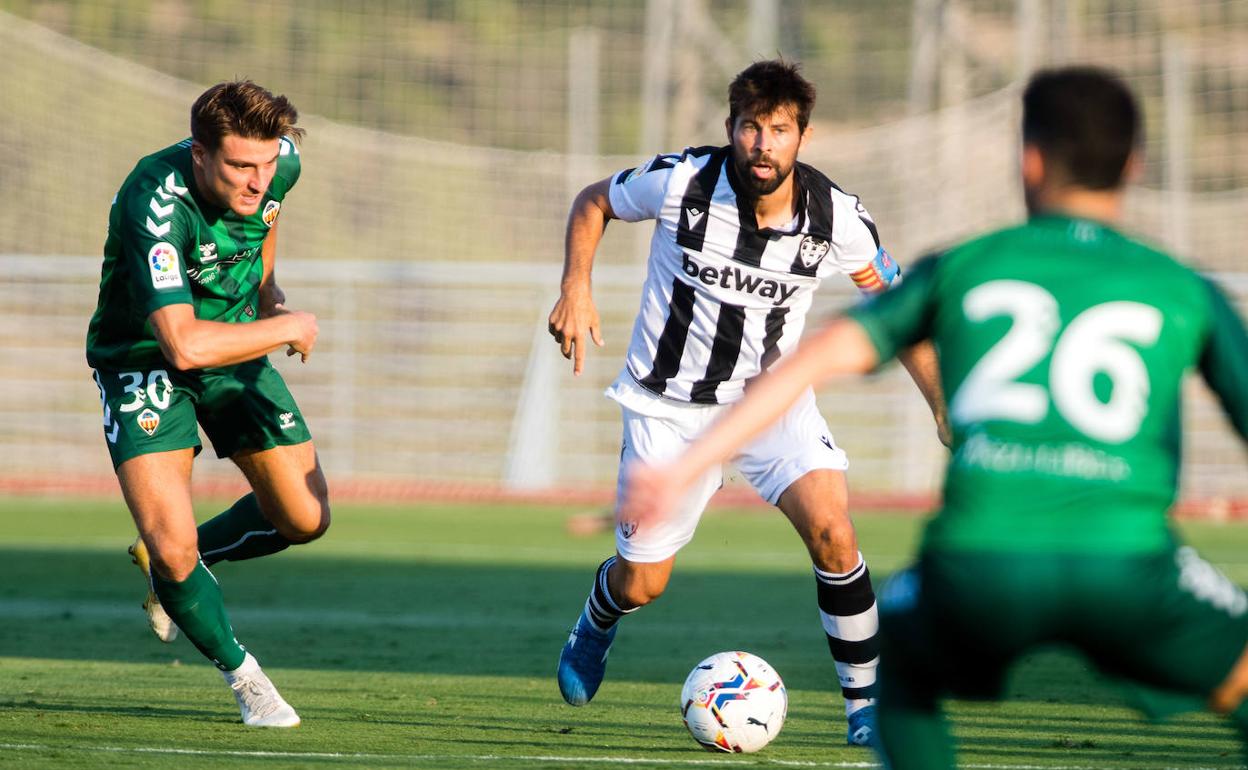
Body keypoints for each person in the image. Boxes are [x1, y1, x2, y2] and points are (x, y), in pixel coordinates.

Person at [621, 66, 1248, 766]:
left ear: (1029, 159)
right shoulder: (1183, 288)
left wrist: (691, 464)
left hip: (977, 567)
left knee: (903, 678)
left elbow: (820, 355)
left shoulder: (966, 266)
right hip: (1134, 568)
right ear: (1133, 166)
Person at [548, 59, 946, 745]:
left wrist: (942, 406)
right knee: (644, 584)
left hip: (771, 407)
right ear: (731, 129)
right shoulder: (680, 183)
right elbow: (594, 201)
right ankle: (599, 615)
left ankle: (866, 706)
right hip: (666, 408)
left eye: (780, 130)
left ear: (803, 137)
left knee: (835, 531)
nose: (764, 145)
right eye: (751, 128)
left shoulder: (837, 219)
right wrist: (576, 284)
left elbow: (898, 305)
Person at [86, 80, 329, 728]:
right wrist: (286, 325)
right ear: (199, 155)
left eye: (266, 163)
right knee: (172, 548)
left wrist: (268, 289)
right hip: (145, 361)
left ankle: (190, 563)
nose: (257, 181)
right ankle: (249, 685)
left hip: (235, 351)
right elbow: (183, 345)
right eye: (239, 167)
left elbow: (268, 215)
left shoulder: (280, 167)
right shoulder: (153, 201)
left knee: (304, 519)